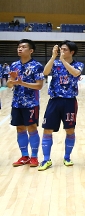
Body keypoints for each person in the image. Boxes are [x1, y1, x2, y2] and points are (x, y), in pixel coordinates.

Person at [39, 41, 84, 171]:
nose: (62, 51)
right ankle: (46, 159)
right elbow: (45, 72)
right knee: (47, 129)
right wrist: (53, 57)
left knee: (70, 129)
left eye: (64, 49)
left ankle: (67, 157)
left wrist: (63, 61)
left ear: (72, 52)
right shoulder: (55, 62)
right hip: (54, 100)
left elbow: (75, 73)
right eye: (61, 49)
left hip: (69, 101)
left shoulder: (78, 64)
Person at [9, 39, 44, 167]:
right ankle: (24, 156)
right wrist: (12, 80)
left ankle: (34, 157)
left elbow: (39, 85)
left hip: (31, 103)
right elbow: (8, 85)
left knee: (32, 128)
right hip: (16, 103)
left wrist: (21, 82)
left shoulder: (37, 66)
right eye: (18, 47)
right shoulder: (13, 65)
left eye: (23, 47)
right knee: (20, 128)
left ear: (31, 51)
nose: (19, 49)